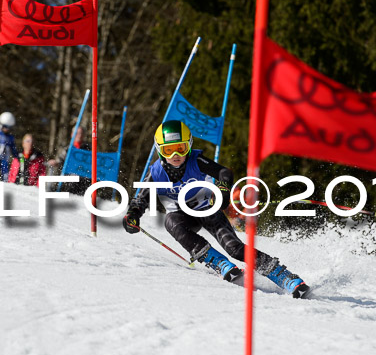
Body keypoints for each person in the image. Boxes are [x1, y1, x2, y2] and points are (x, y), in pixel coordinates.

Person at [122, 120, 310, 298]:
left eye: (180, 148)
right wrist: (132, 215)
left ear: (189, 145)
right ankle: (217, 262)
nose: (175, 156)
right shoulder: (156, 173)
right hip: (183, 217)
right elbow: (140, 199)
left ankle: (284, 276)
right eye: (168, 150)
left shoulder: (196, 161)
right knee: (170, 221)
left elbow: (224, 173)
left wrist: (223, 192)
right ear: (159, 151)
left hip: (208, 211)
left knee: (235, 249)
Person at [47, 125, 91, 195]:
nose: (79, 135)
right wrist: (55, 162)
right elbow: (60, 160)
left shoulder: (88, 149)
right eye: (77, 133)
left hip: (84, 183)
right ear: (72, 134)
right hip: (69, 182)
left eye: (81, 133)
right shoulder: (68, 149)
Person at [0, 111, 19, 181]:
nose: (7, 129)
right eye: (5, 126)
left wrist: (18, 156)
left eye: (9, 127)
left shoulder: (10, 138)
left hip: (4, 161)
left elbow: (14, 151)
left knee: (4, 177)